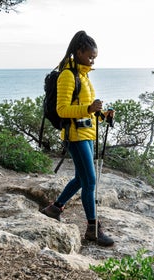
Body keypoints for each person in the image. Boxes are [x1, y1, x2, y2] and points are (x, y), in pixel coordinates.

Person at [40, 31, 115, 247]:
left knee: (81, 179)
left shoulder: (84, 76)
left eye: (95, 58)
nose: (92, 61)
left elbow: (88, 108)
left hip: (87, 133)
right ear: (79, 52)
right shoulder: (67, 75)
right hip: (74, 135)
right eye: (90, 57)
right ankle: (93, 228)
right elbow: (62, 110)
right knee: (90, 180)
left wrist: (102, 114)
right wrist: (89, 108)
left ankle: (54, 208)